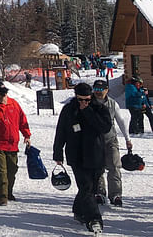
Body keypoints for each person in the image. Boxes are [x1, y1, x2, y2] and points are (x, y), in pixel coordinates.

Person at [53, 82, 112, 234]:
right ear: (76, 97)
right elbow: (60, 132)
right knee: (86, 187)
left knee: (90, 188)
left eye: (87, 99)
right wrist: (57, 153)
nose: (84, 103)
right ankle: (94, 220)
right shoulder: (68, 110)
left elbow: (105, 127)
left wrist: (88, 112)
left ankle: (78, 210)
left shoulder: (99, 109)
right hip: (76, 156)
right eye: (81, 100)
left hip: (95, 155)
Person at [0, 80, 31, 206]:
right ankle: (1, 196)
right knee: (1, 171)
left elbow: (22, 119)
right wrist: (0, 105)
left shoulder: (13, 103)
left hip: (12, 143)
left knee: (12, 170)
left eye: (5, 93)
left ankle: (8, 192)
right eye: (1, 93)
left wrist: (26, 134)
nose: (4, 96)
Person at [91, 79, 131, 207]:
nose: (98, 92)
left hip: (110, 139)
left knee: (114, 166)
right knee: (98, 168)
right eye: (96, 89)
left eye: (101, 89)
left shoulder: (113, 104)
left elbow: (121, 121)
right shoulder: (89, 103)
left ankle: (116, 195)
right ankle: (99, 193)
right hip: (94, 141)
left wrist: (127, 139)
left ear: (107, 90)